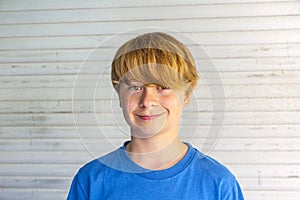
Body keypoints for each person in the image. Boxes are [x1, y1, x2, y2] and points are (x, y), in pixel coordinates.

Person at [67, 32, 244, 199]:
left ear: (187, 95)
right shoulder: (90, 181)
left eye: (163, 87)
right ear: (119, 95)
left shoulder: (219, 184)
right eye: (135, 87)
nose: (147, 101)